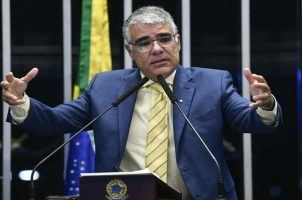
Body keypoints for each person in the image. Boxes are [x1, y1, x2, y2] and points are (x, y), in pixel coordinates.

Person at [1, 6, 282, 200]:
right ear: (129, 50)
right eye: (145, 42)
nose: (157, 48)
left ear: (178, 41)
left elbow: (249, 120)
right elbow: (56, 120)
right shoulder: (106, 86)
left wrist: (266, 105)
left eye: (164, 38)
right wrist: (21, 101)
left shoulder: (213, 83)